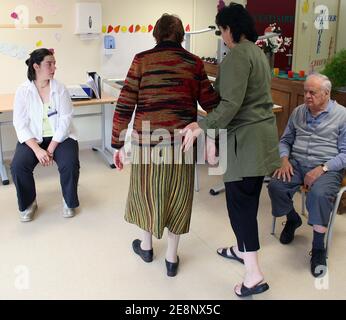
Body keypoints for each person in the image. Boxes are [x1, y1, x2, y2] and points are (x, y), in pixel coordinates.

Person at [181, 3, 280, 297]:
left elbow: (231, 104)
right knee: (247, 198)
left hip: (245, 142)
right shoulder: (258, 53)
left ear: (229, 29)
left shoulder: (237, 56)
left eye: (221, 30)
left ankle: (254, 276)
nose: (221, 36)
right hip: (261, 138)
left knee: (241, 207)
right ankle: (240, 249)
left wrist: (203, 128)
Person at [111, 14, 219, 277]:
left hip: (147, 142)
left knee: (147, 192)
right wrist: (212, 137)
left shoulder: (141, 60)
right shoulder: (193, 64)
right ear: (181, 36)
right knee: (178, 196)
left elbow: (125, 103)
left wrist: (117, 144)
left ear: (156, 34)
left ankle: (146, 248)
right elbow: (212, 104)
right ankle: (171, 258)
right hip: (181, 142)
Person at [267, 73, 346, 278]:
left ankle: (318, 249)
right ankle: (293, 219)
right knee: (275, 185)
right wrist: (284, 159)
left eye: (313, 92)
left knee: (319, 195)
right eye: (305, 92)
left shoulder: (342, 115)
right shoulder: (298, 112)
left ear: (327, 93)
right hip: (297, 163)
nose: (307, 96)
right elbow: (285, 140)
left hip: (327, 167)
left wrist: (323, 168)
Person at [11, 48, 80, 222]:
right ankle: (29, 203)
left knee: (70, 163)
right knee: (18, 166)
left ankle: (68, 200)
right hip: (33, 138)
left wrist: (50, 148)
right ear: (36, 66)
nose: (53, 67)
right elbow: (20, 124)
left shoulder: (60, 89)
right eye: (49, 63)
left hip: (60, 138)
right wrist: (37, 150)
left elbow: (65, 120)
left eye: (54, 63)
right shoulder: (23, 91)